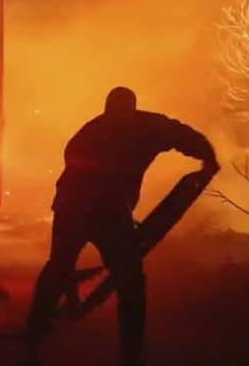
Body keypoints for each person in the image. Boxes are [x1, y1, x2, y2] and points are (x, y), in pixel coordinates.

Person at [23, 86, 220, 366]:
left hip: (73, 208)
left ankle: (33, 342)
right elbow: (181, 134)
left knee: (57, 268)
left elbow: (71, 160)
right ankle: (130, 355)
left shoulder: (90, 131)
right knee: (130, 282)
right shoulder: (145, 126)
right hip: (108, 212)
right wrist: (208, 156)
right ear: (132, 107)